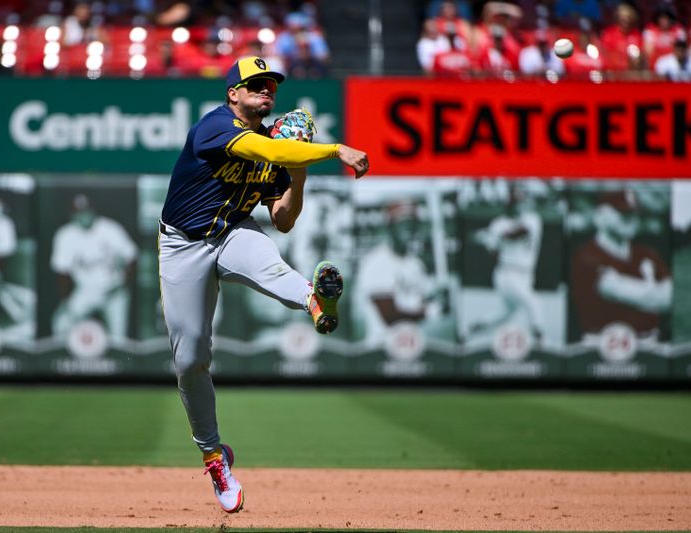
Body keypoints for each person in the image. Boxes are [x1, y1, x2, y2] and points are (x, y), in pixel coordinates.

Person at [157, 56, 368, 513]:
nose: (265, 89)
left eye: (270, 84)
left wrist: (300, 171)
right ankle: (214, 456)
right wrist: (334, 151)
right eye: (254, 84)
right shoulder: (215, 126)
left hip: (232, 232)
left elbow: (283, 220)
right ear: (232, 93)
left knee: (271, 263)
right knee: (191, 357)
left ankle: (315, 300)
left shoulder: (275, 146)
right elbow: (270, 152)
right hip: (183, 244)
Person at [570, 189, 672, 340]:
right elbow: (651, 299)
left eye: (634, 213)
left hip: (650, 343)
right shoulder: (586, 256)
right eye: (622, 213)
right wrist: (657, 291)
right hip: (603, 347)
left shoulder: (646, 253)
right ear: (600, 217)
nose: (631, 218)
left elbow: (670, 297)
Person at [356, 201, 445, 348]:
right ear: (390, 227)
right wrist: (431, 311)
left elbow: (420, 299)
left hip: (412, 346)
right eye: (403, 224)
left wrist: (437, 296)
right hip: (381, 348)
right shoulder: (376, 262)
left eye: (412, 224)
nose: (409, 230)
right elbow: (390, 316)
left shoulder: (415, 264)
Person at [51, 194, 137, 339]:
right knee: (61, 324)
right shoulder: (65, 235)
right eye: (79, 213)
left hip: (114, 290)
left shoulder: (110, 229)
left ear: (93, 211)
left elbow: (132, 258)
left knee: (119, 337)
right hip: (86, 290)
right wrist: (65, 301)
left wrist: (124, 284)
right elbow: (62, 272)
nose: (84, 216)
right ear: (72, 215)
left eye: (86, 211)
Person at [465, 186, 545, 342]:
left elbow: (517, 233)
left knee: (505, 314)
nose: (519, 205)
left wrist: (492, 236)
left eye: (522, 201)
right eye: (515, 202)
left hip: (526, 275)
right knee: (535, 304)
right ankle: (540, 342)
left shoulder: (533, 219)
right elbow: (494, 254)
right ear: (508, 203)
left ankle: (472, 329)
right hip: (508, 273)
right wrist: (491, 244)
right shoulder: (499, 223)